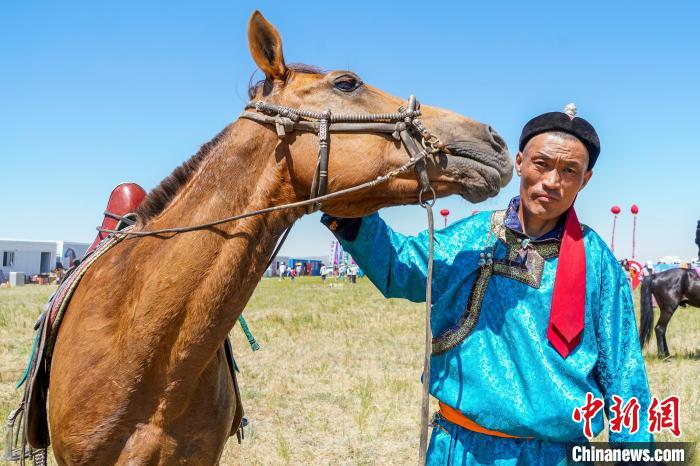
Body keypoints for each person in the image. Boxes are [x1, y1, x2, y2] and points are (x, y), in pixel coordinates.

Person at [322, 106, 653, 464]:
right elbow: (397, 267)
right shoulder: (470, 237)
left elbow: (624, 375)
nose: (551, 181)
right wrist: (346, 198)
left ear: (585, 180)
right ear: (520, 162)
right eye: (541, 164)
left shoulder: (598, 262)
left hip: (558, 455)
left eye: (569, 171)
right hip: (462, 447)